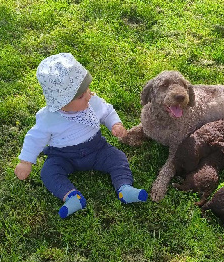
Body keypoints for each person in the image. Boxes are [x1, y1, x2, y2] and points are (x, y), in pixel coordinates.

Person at [14, 53, 147, 219]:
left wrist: (115, 124)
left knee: (117, 158)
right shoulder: (48, 118)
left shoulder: (91, 101)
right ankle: (71, 196)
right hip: (63, 156)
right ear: (62, 102)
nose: (88, 95)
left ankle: (124, 188)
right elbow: (35, 138)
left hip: (97, 149)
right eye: (81, 96)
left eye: (87, 90)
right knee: (48, 172)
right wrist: (25, 162)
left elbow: (107, 112)